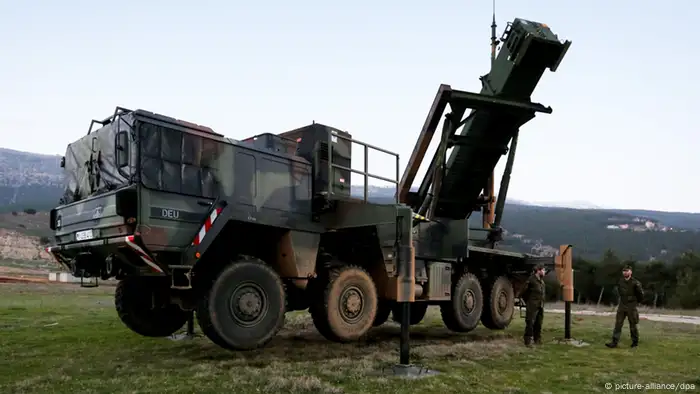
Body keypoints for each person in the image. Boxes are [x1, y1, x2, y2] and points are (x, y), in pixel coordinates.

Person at [606, 265, 644, 348]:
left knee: (633, 325)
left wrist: (635, 303)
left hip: (631, 306)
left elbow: (640, 295)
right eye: (624, 271)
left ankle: (635, 342)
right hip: (622, 305)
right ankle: (614, 342)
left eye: (627, 271)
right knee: (618, 324)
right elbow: (619, 292)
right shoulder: (620, 282)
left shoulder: (635, 283)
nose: (625, 272)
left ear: (631, 272)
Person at [521, 263, 546, 346]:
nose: (544, 271)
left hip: (540, 305)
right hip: (532, 305)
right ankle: (528, 341)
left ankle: (537, 339)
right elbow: (524, 291)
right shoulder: (531, 280)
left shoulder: (541, 281)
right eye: (543, 270)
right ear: (538, 271)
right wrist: (528, 301)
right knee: (530, 322)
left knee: (538, 323)